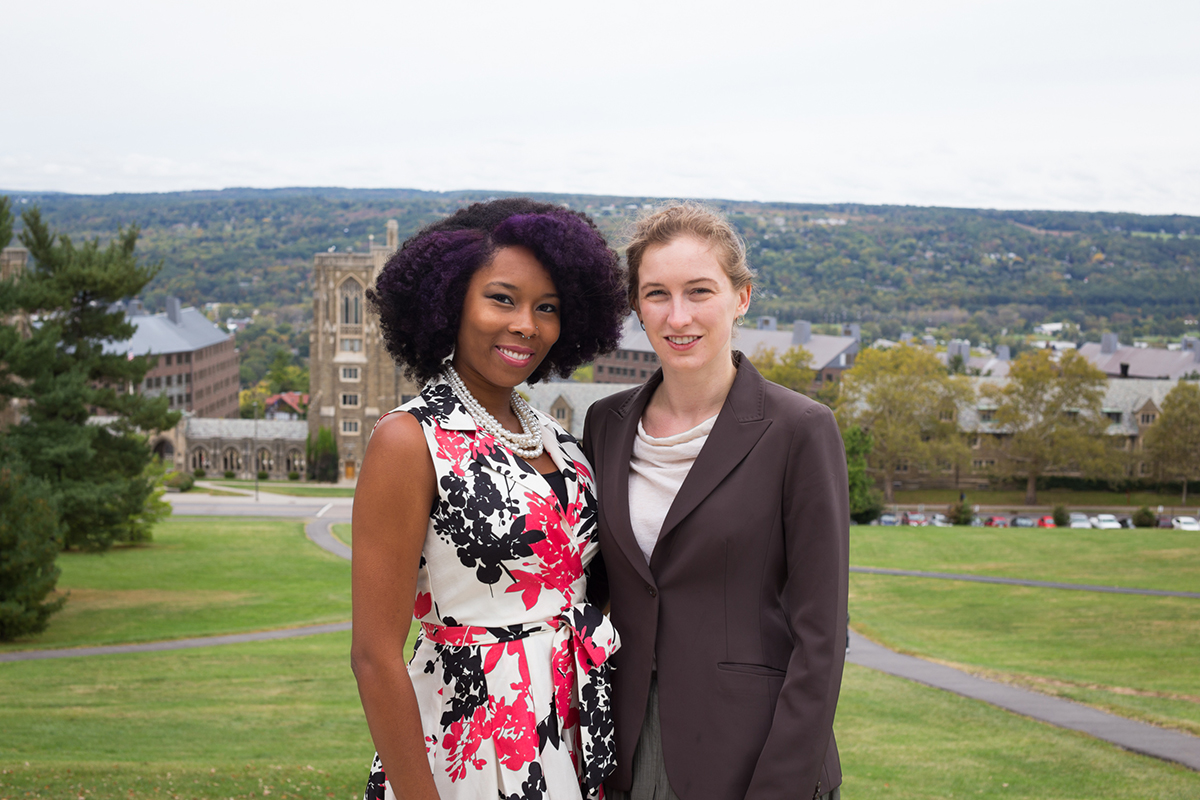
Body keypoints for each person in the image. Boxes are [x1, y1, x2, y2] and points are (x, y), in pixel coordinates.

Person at [352, 199, 627, 800]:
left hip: (572, 734)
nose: (527, 324)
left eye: (547, 307)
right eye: (502, 299)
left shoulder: (558, 440)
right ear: (450, 302)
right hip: (474, 743)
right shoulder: (411, 439)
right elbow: (374, 655)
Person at [582, 204, 849, 800]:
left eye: (699, 291)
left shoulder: (800, 429)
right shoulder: (605, 423)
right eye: (657, 294)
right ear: (637, 307)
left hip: (753, 755)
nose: (678, 316)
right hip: (622, 749)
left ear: (741, 297)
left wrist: (780, 787)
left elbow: (823, 637)